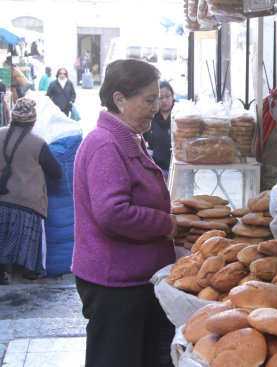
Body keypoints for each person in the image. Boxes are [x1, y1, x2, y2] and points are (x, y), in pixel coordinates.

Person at [72, 59, 178, 367]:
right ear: (119, 99)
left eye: (156, 100)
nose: (155, 108)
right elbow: (113, 213)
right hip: (114, 285)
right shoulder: (105, 144)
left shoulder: (129, 136)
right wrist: (166, 224)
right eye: (148, 100)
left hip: (133, 281)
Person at [0, 98, 62, 284]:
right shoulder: (38, 143)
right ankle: (28, 270)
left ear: (12, 118)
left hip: (1, 201)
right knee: (28, 244)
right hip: (27, 204)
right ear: (33, 122)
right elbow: (56, 172)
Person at [143, 80, 175, 179]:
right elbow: (142, 140)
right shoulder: (150, 116)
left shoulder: (180, 114)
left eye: (167, 96)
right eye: (160, 97)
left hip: (179, 168)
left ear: (173, 96)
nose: (164, 101)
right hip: (157, 170)